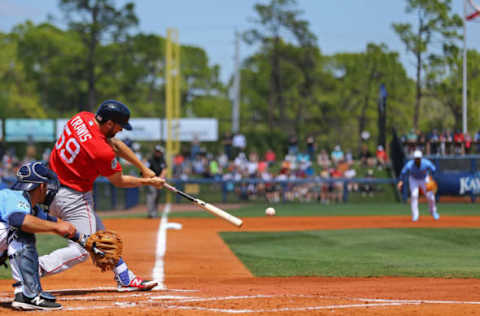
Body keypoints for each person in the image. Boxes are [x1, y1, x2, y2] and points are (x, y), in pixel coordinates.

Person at [37, 100, 165, 292]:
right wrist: (149, 182)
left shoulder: (81, 118)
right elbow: (119, 181)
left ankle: (124, 276)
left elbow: (116, 144)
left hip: (49, 189)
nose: (121, 130)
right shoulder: (101, 151)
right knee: (82, 250)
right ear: (110, 124)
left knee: (102, 237)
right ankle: (33, 268)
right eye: (120, 126)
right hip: (73, 197)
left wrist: (144, 169)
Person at [0, 161, 76, 310]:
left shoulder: (29, 206)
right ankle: (28, 295)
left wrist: (88, 242)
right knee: (18, 228)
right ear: (41, 186)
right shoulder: (14, 197)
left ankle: (26, 293)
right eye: (47, 185)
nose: (48, 190)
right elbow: (18, 220)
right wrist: (56, 227)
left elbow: (59, 224)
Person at [397, 150, 439, 222]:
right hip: (414, 179)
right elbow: (403, 172)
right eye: (416, 158)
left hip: (424, 178)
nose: (417, 160)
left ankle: (433, 211)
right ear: (414, 158)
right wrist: (401, 181)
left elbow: (434, 169)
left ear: (421, 158)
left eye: (418, 158)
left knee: (431, 196)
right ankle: (415, 215)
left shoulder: (426, 163)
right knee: (414, 195)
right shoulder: (410, 164)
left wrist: (432, 179)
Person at [146, 145, 167, 218]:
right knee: (152, 195)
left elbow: (164, 170)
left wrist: (160, 178)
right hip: (151, 181)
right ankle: (150, 213)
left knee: (157, 197)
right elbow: (145, 170)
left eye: (159, 152)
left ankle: (155, 212)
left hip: (159, 181)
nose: (157, 153)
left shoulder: (162, 160)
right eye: (156, 151)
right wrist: (152, 179)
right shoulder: (150, 160)